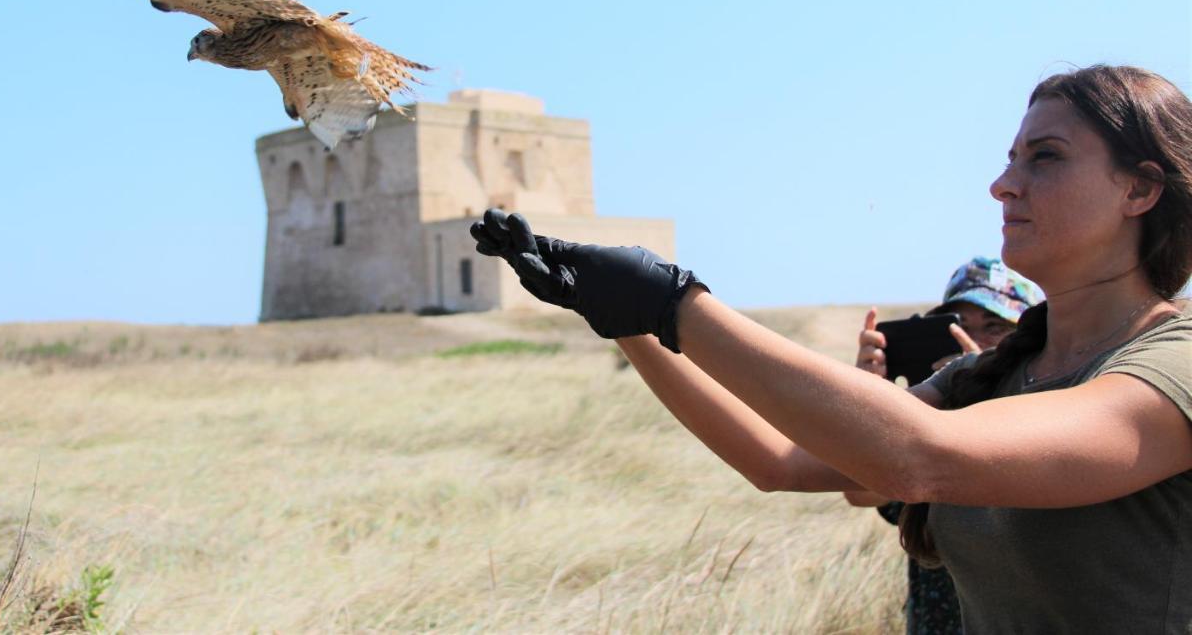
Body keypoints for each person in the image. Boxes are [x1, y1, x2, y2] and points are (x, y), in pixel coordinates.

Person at [471, 65, 1192, 632]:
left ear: (1139, 188)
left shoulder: (1172, 364)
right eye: (1011, 158)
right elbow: (778, 463)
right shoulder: (996, 374)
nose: (1004, 184)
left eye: (1046, 157)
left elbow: (916, 457)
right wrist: (623, 319)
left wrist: (674, 301)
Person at [847, 257, 1043, 635]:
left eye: (995, 328)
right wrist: (868, 401)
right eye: (959, 326)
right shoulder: (927, 426)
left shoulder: (1053, 417)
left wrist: (984, 395)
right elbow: (859, 490)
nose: (977, 341)